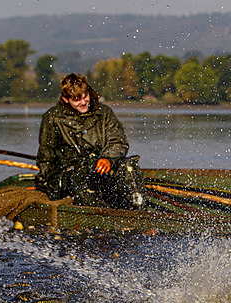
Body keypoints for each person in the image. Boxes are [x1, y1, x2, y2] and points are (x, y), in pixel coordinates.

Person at [35, 73, 147, 210]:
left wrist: (108, 158)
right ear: (65, 99)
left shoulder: (104, 113)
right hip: (71, 175)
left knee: (128, 167)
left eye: (84, 96)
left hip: (101, 169)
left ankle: (140, 214)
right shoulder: (52, 118)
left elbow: (118, 142)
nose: (83, 102)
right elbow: (46, 157)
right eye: (76, 99)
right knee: (81, 178)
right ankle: (97, 219)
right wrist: (51, 182)